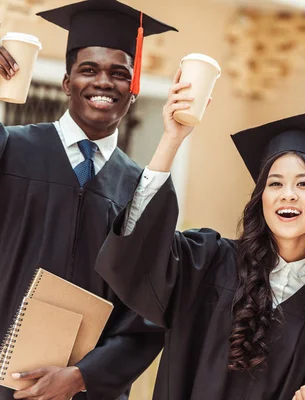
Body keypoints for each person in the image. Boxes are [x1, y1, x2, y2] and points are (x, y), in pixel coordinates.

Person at [93, 72, 305, 400]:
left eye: (303, 184)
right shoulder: (207, 263)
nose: (288, 194)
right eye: (275, 183)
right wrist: (171, 139)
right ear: (261, 199)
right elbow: (134, 254)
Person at [0, 1, 176, 399]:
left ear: (133, 90)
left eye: (119, 74)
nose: (103, 83)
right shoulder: (11, 150)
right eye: (89, 70)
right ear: (66, 82)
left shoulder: (141, 189)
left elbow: (147, 313)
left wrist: (82, 376)